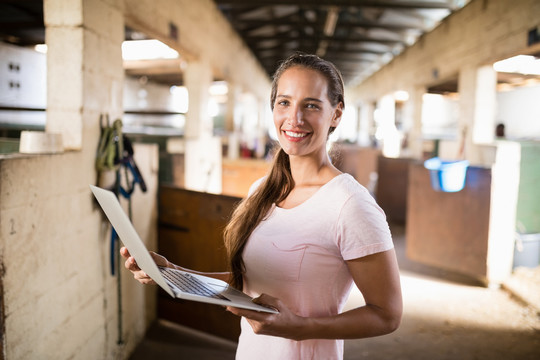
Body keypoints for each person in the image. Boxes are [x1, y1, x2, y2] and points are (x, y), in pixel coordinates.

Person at [121, 52, 402, 359]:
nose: (294, 118)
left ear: (335, 114)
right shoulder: (262, 191)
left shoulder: (350, 204)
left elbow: (387, 314)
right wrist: (173, 272)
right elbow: (248, 283)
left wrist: (300, 327)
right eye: (284, 102)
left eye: (310, 105)